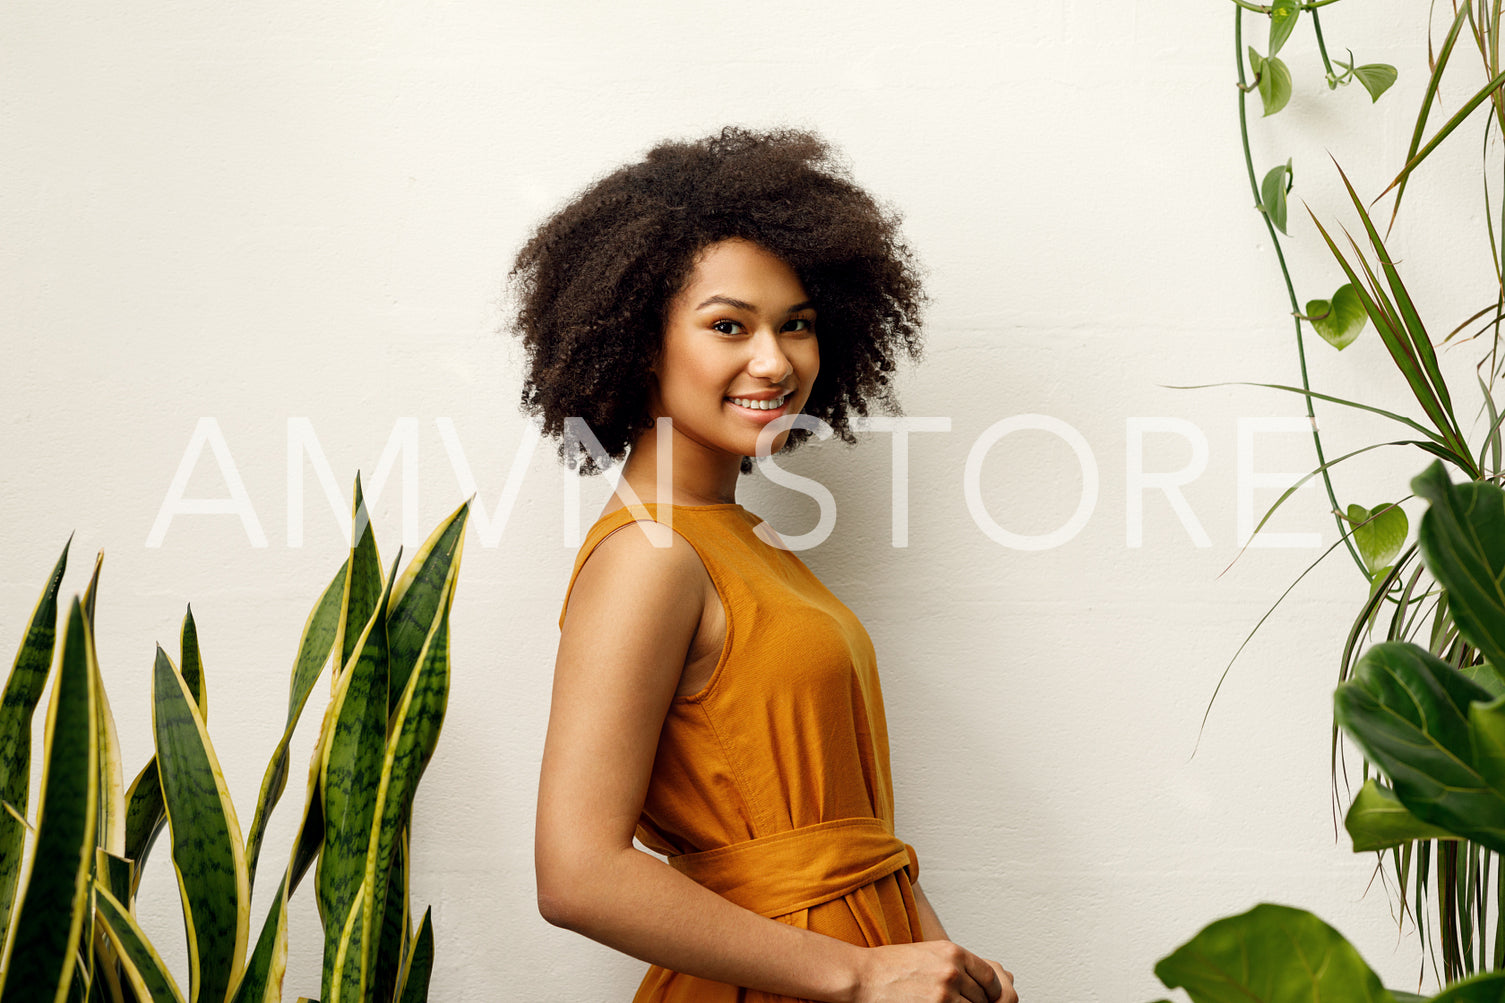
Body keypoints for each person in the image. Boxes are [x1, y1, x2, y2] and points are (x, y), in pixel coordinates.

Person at [518, 126, 1018, 1003]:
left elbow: (844, 840)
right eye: (727, 326)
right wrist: (858, 973)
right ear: (637, 339)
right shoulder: (648, 554)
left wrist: (937, 961)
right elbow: (575, 871)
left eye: (797, 325)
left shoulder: (738, 539)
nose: (774, 361)